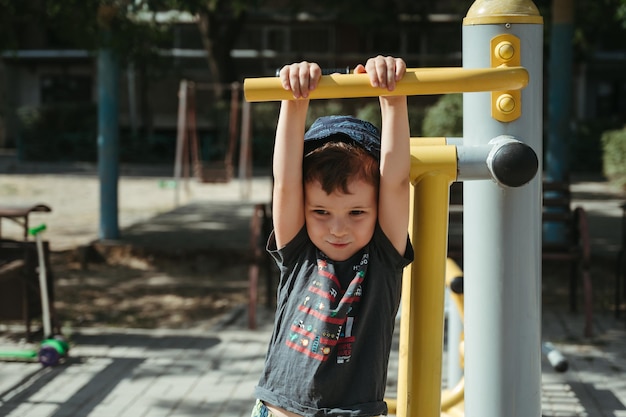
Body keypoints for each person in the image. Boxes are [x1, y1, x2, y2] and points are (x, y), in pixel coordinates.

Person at [252, 56, 414, 417]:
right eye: (321, 212)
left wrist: (392, 97)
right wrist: (294, 101)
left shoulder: (383, 258)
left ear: (375, 206)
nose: (338, 228)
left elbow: (397, 181)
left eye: (356, 212)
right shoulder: (298, 252)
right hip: (279, 410)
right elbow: (287, 182)